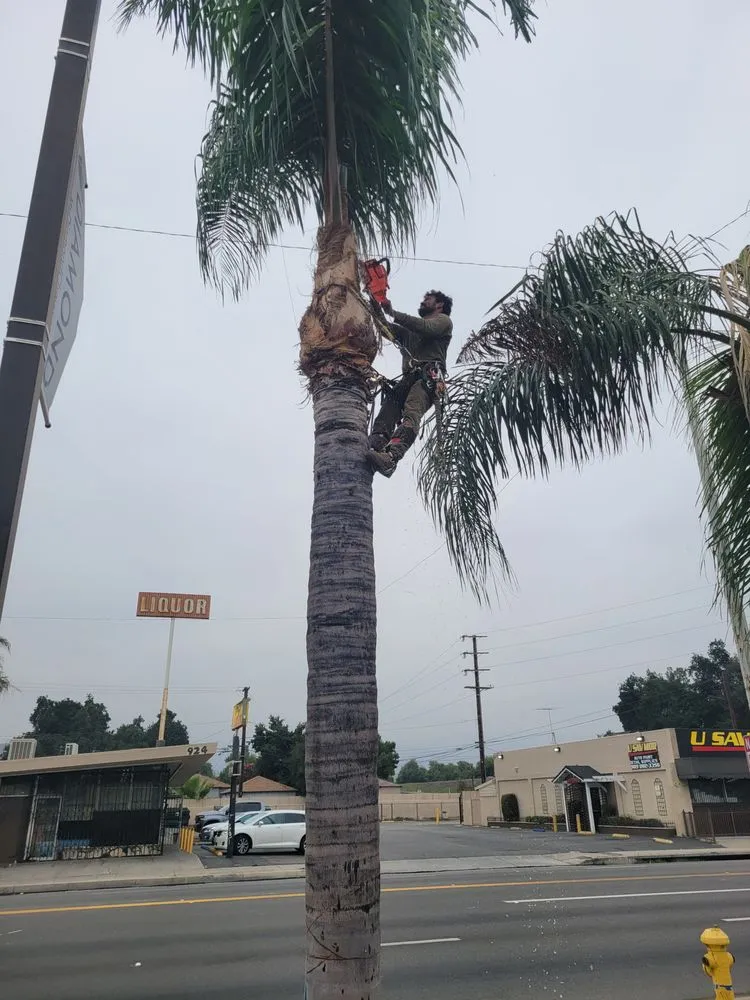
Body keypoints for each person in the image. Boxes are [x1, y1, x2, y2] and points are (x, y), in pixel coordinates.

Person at [367, 290, 453, 478]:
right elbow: (384, 328)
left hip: (426, 379)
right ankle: (375, 447)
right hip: (408, 379)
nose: (423, 302)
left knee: (411, 415)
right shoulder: (409, 333)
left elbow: (426, 328)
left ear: (439, 305)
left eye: (427, 300)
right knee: (386, 415)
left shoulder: (443, 322)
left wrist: (393, 312)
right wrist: (373, 303)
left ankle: (391, 457)